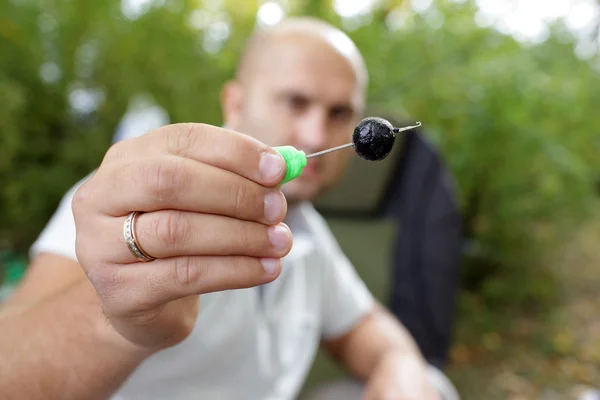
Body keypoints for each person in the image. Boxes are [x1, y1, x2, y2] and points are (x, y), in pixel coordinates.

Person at [0, 17, 459, 400]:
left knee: (430, 382)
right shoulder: (134, 204)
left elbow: (366, 327)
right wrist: (119, 322)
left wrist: (399, 368)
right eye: (295, 102)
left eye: (340, 113)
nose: (317, 137)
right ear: (234, 102)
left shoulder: (308, 234)